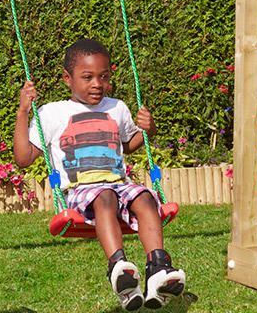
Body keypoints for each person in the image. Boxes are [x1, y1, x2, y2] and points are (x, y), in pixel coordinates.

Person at [13, 39, 185, 310]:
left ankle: (159, 267)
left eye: (103, 77)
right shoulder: (53, 113)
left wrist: (147, 131)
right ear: (67, 79)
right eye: (87, 77)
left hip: (119, 183)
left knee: (145, 198)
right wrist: (23, 111)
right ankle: (119, 267)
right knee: (104, 197)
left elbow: (127, 146)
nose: (97, 84)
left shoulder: (116, 107)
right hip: (82, 191)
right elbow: (23, 158)